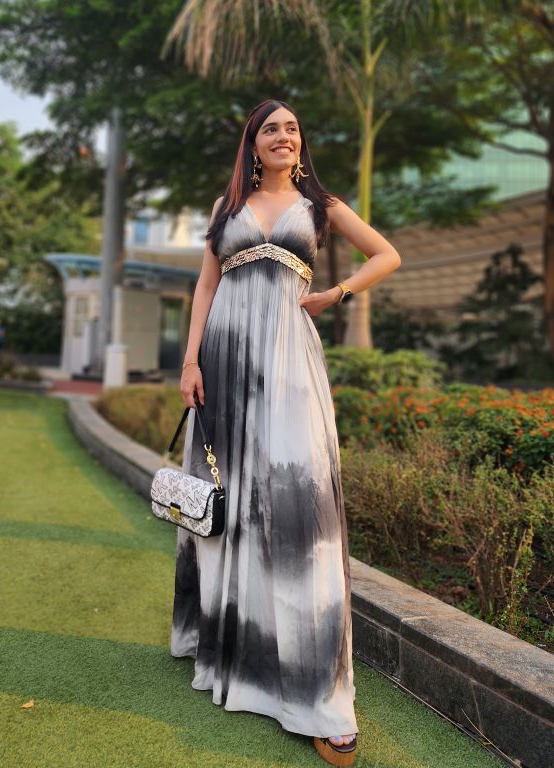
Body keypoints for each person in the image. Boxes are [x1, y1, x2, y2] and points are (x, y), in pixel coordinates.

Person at [171, 98, 401, 767]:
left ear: (301, 143)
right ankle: (229, 651)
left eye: (292, 128)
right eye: (271, 128)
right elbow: (206, 285)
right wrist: (190, 361)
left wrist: (339, 293)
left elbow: (387, 254)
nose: (283, 136)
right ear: (252, 142)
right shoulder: (227, 206)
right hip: (223, 361)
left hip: (290, 363)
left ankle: (318, 693)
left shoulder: (320, 205)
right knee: (232, 502)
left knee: (301, 508)